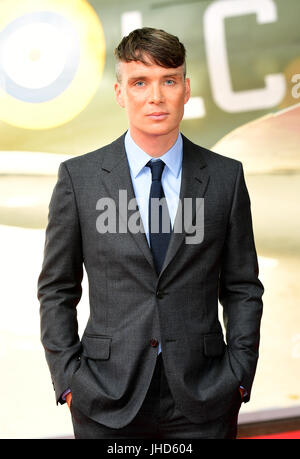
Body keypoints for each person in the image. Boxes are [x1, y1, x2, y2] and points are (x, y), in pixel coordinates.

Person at [38, 27, 264, 439]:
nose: (156, 96)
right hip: (105, 397)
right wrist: (70, 381)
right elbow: (57, 289)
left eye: (169, 80)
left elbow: (243, 287)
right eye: (140, 82)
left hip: (205, 396)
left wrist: (239, 374)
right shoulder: (80, 178)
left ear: (186, 88)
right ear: (120, 92)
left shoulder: (226, 177)